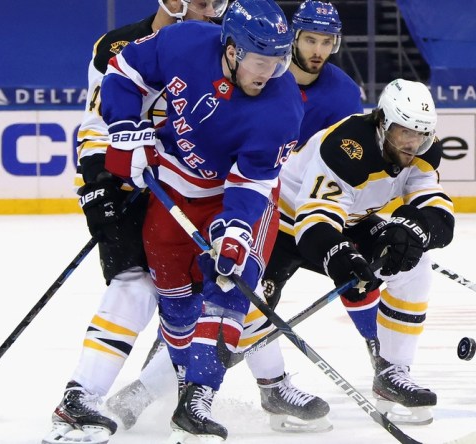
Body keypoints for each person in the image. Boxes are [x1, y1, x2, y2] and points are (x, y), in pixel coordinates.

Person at [103, 0, 365, 433]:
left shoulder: (288, 103)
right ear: (231, 50)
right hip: (190, 191)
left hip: (257, 196)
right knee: (199, 302)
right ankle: (173, 389)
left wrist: (237, 230)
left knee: (234, 291)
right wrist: (124, 129)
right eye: (260, 60)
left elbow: (257, 180)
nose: (268, 71)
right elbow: (125, 72)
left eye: (276, 60)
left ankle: (208, 396)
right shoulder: (187, 44)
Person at [43, 2, 228, 444]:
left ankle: (151, 398)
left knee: (215, 304)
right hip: (131, 185)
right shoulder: (118, 45)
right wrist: (98, 180)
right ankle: (80, 397)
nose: (209, 9)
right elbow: (96, 120)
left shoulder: (225, 46)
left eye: (218, 1)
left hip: (195, 191)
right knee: (134, 283)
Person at [262, 78, 455, 424]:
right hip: (282, 220)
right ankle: (272, 386)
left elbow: (436, 208)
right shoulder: (347, 147)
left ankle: (392, 374)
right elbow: (314, 222)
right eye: (403, 133)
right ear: (382, 121)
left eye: (421, 135)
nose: (412, 144)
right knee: (251, 306)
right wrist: (340, 255)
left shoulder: (424, 150)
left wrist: (417, 229)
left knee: (414, 264)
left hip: (347, 219)